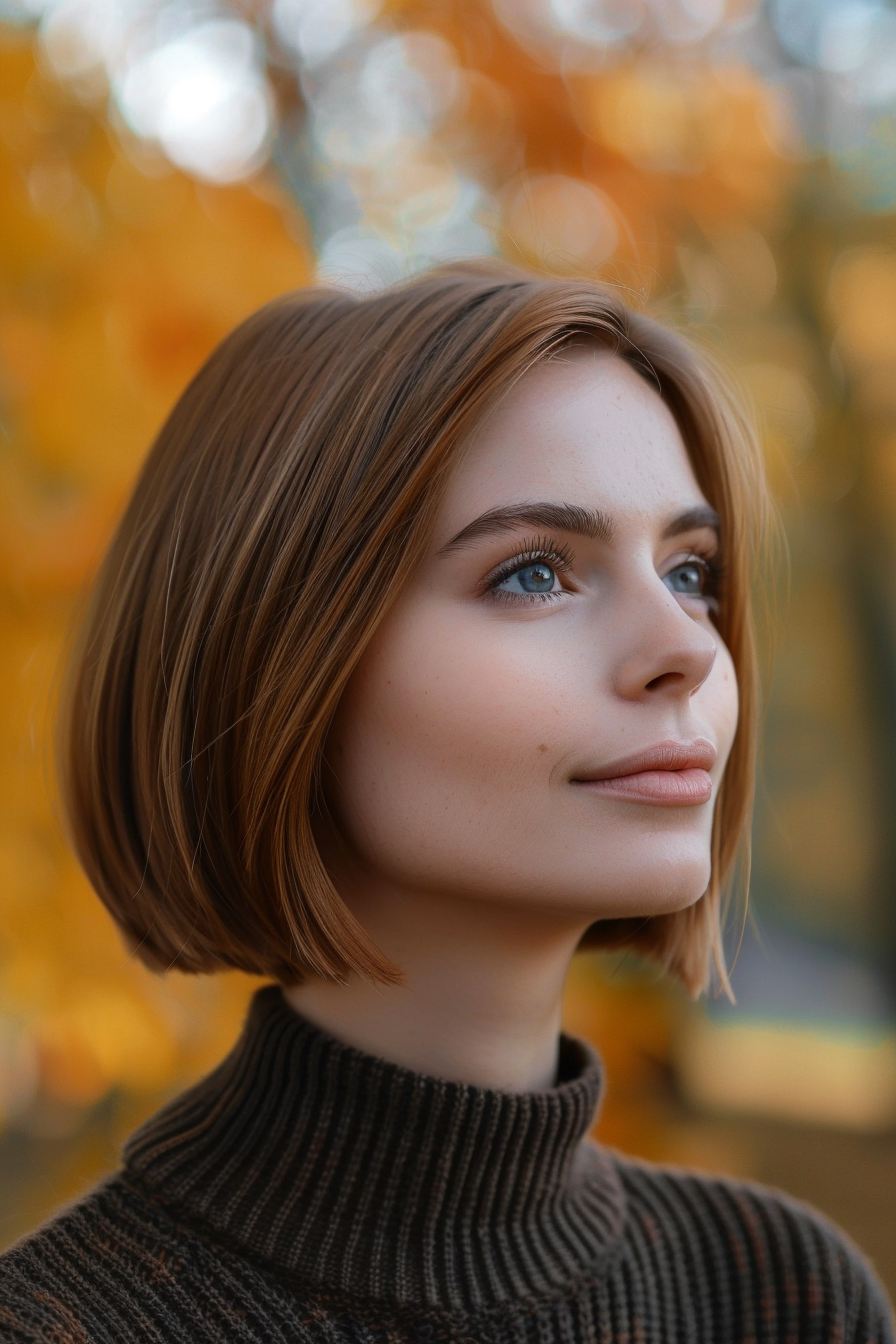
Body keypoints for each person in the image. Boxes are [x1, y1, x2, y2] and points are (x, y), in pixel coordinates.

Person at [1, 261, 891, 1343]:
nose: (682, 650)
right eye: (532, 574)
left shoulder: (778, 1299)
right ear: (276, 659)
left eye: (689, 571)